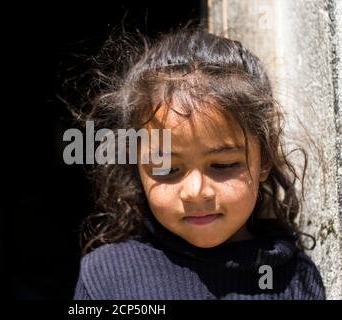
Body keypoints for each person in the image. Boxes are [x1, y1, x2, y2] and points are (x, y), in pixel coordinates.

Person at [70, 26, 325, 300]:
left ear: (264, 159)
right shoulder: (107, 277)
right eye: (167, 169)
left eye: (224, 165)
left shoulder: (294, 279)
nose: (195, 191)